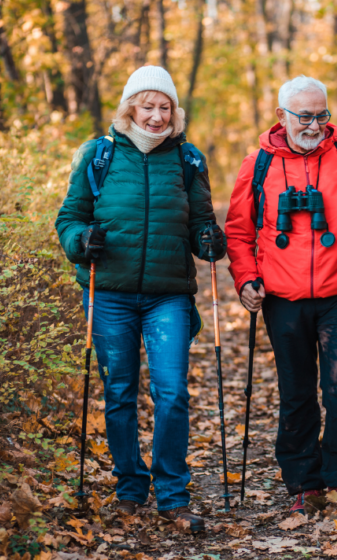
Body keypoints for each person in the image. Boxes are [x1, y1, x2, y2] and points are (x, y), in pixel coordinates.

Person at [55, 66, 224, 532]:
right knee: (119, 393)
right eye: (147, 106)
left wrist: (212, 240)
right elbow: (69, 218)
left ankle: (172, 494)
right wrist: (79, 240)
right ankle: (129, 486)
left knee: (171, 393)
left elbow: (202, 225)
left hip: (167, 297)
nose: (155, 116)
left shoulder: (188, 160)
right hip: (109, 295)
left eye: (164, 107)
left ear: (174, 111)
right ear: (130, 107)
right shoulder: (98, 155)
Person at [225, 76, 337, 514]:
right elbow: (239, 230)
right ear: (282, 116)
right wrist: (246, 279)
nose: (315, 124)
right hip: (282, 297)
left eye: (322, 114)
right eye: (305, 116)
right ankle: (303, 480)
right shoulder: (258, 164)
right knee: (296, 390)